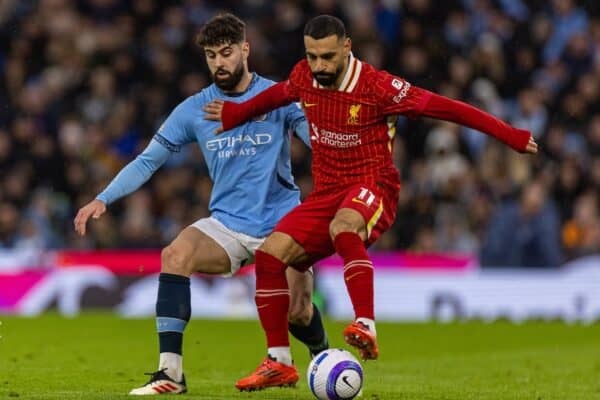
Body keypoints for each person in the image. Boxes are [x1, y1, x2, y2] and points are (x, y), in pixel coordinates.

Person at [204, 14, 538, 391]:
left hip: (372, 185)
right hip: (326, 193)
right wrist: (235, 113)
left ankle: (365, 323)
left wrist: (509, 135)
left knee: (343, 227)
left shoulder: (379, 87)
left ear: (347, 48)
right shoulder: (304, 76)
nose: (319, 66)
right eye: (312, 56)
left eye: (327, 57)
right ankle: (279, 360)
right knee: (269, 256)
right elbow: (277, 94)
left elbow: (447, 108)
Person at [73, 13, 329, 395]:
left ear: (245, 49)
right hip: (227, 224)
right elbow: (147, 161)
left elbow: (319, 142)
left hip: (284, 223)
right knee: (175, 255)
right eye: (211, 56)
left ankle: (323, 359)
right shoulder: (194, 109)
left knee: (298, 312)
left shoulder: (278, 97)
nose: (219, 63)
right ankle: (170, 374)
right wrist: (102, 198)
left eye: (226, 53)